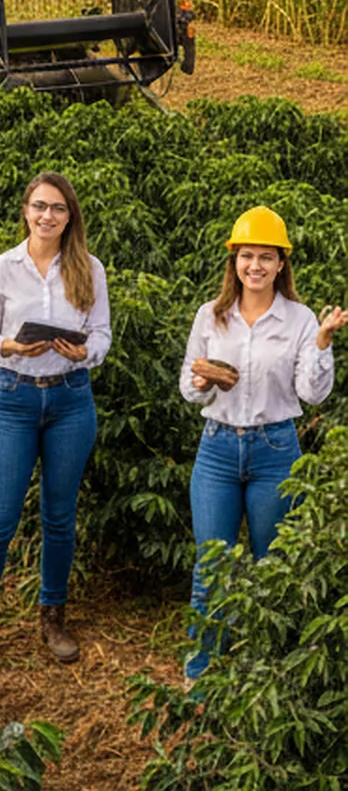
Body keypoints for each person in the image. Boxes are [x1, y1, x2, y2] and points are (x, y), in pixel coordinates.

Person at [177, 205, 344, 681]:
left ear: (281, 264)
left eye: (266, 257)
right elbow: (190, 391)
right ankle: (203, 670)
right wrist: (209, 379)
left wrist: (323, 342)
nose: (255, 266)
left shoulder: (299, 318)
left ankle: (265, 669)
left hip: (276, 451)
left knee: (272, 566)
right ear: (234, 261)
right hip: (217, 450)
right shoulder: (211, 316)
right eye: (246, 256)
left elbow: (312, 395)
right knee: (212, 564)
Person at [0, 172, 111, 670]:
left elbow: (104, 335)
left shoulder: (89, 268)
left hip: (70, 399)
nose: (48, 216)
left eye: (59, 209)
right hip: (15, 398)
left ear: (70, 217)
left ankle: (52, 617)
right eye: (40, 206)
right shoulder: (1, 268)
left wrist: (84, 351)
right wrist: (9, 345)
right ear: (25, 210)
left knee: (59, 518)